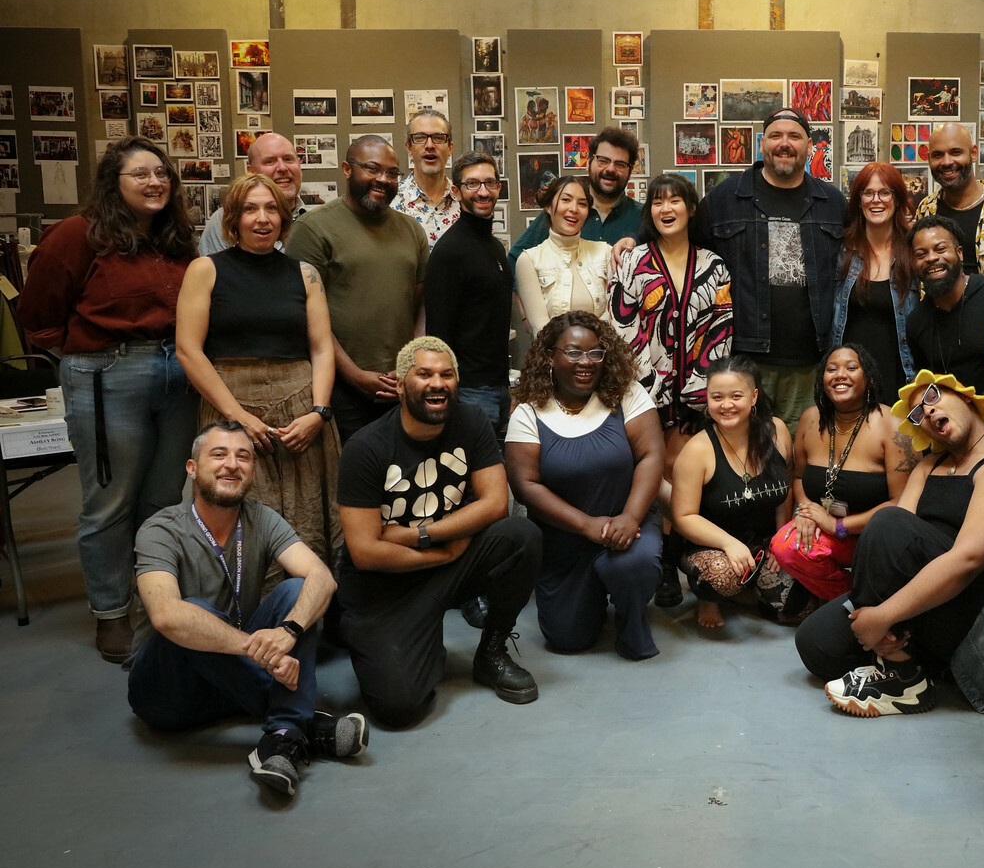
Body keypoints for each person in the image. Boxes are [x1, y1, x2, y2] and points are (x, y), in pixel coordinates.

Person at [17, 137, 198, 662]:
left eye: (162, 173)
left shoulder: (175, 238)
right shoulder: (78, 234)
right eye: (140, 173)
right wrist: (85, 355)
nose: (154, 182)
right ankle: (110, 613)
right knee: (109, 502)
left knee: (163, 498)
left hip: (177, 372)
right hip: (108, 373)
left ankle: (154, 601)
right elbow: (38, 316)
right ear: (112, 183)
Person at [127, 420, 366, 799]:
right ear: (192, 469)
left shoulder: (261, 518)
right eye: (218, 454)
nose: (231, 465)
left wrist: (287, 632)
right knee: (192, 610)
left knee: (295, 591)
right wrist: (259, 652)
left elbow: (322, 578)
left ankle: (283, 737)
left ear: (252, 471)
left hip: (237, 679)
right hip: (169, 692)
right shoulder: (160, 529)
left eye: (243, 457)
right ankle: (305, 722)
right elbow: (167, 616)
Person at [336, 337, 542, 726]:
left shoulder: (470, 421)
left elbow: (496, 502)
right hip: (384, 588)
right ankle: (413, 642)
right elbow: (365, 551)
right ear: (399, 384)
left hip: (443, 560)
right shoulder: (366, 448)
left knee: (520, 536)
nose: (438, 383)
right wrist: (443, 549)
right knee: (398, 708)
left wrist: (424, 537)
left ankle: (491, 652)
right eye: (425, 374)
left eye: (447, 375)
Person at [794, 370, 984, 717]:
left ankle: (902, 675)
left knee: (888, 520)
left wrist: (883, 616)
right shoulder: (928, 465)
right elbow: (887, 546)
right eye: (918, 414)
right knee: (815, 644)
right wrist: (880, 617)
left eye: (934, 397)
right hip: (917, 596)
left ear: (966, 398)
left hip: (966, 593)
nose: (929, 412)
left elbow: (969, 558)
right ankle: (902, 653)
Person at [175, 173, 342, 565]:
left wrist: (319, 413)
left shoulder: (305, 274)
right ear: (233, 219)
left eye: (271, 208)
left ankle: (309, 610)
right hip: (230, 408)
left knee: (308, 516)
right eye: (250, 209)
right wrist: (240, 419)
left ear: (284, 218)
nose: (262, 218)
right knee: (240, 512)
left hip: (300, 415)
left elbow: (321, 348)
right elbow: (188, 351)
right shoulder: (205, 270)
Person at [505, 312, 665, 660]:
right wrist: (584, 525)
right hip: (564, 539)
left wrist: (631, 517)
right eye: (574, 353)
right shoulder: (529, 411)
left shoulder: (627, 394)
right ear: (550, 356)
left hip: (627, 528)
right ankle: (591, 591)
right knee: (567, 639)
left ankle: (631, 616)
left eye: (596, 353)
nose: (586, 363)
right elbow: (525, 485)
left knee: (631, 567)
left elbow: (652, 456)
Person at [698, 108, 848, 429]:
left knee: (800, 457)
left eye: (794, 136)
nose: (785, 143)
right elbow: (681, 247)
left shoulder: (833, 203)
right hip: (744, 361)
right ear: (761, 144)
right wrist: (633, 241)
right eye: (776, 136)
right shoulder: (724, 199)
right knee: (744, 457)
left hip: (810, 363)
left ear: (810, 146)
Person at [284, 135, 428, 443]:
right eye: (372, 169)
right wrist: (354, 375)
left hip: (401, 385)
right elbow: (304, 315)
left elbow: (422, 301)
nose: (383, 179)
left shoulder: (412, 229)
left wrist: (411, 362)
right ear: (347, 169)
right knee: (353, 479)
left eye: (392, 173)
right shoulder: (313, 228)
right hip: (339, 388)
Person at [769, 345, 915, 610]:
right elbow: (799, 477)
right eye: (831, 369)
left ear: (868, 376)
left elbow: (901, 502)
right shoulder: (811, 419)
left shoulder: (892, 423)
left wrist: (837, 526)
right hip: (825, 528)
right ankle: (852, 602)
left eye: (851, 368)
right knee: (785, 545)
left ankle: (874, 602)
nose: (839, 375)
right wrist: (805, 510)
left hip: (873, 536)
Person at [670, 356, 793, 629]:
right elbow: (684, 517)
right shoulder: (697, 449)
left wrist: (780, 541)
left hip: (761, 544)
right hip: (710, 547)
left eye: (736, 396)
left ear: (754, 397)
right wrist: (729, 543)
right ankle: (709, 598)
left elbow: (785, 491)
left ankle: (749, 590)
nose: (726, 405)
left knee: (797, 610)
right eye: (717, 397)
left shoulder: (778, 432)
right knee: (724, 577)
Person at [611, 173, 732, 436]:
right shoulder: (631, 262)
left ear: (690, 209)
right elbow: (622, 329)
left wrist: (699, 396)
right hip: (641, 402)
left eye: (674, 201)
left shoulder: (715, 267)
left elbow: (720, 331)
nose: (666, 209)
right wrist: (652, 390)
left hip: (699, 409)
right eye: (657, 202)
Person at [424, 151, 514, 437]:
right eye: (472, 184)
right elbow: (438, 333)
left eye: (490, 183)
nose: (483, 191)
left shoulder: (495, 247)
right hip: (470, 392)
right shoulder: (449, 252)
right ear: (456, 191)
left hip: (500, 386)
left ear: (499, 188)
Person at [830, 162, 918, 400]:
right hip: (850, 378)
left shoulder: (914, 251)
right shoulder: (842, 251)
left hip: (901, 372)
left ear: (897, 199)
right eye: (868, 193)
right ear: (859, 201)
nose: (876, 199)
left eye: (885, 192)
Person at [905, 215, 984, 402]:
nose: (931, 258)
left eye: (940, 249)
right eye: (921, 254)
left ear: (959, 253)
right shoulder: (916, 322)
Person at [508, 127, 643, 259]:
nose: (610, 169)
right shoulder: (562, 212)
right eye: (603, 161)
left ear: (630, 172)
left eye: (620, 164)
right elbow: (516, 258)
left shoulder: (644, 216)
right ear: (588, 163)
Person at [515, 174, 612, 341]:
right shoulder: (529, 260)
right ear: (548, 206)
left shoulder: (605, 252)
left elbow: (614, 319)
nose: (574, 209)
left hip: (602, 357)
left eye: (582, 203)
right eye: (566, 200)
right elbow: (541, 329)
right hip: (554, 360)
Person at [913, 124, 984, 274]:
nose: (947, 162)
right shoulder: (926, 209)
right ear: (929, 159)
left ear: (973, 153)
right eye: (938, 155)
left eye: (955, 152)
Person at [197, 133, 306, 256]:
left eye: (288, 159)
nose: (282, 168)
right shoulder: (225, 221)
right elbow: (215, 272)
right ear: (251, 171)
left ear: (299, 164)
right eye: (270, 161)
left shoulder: (316, 221)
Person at [391, 111, 460, 248]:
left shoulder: (465, 201)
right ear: (409, 148)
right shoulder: (390, 202)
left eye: (438, 137)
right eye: (420, 137)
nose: (429, 145)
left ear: (450, 148)